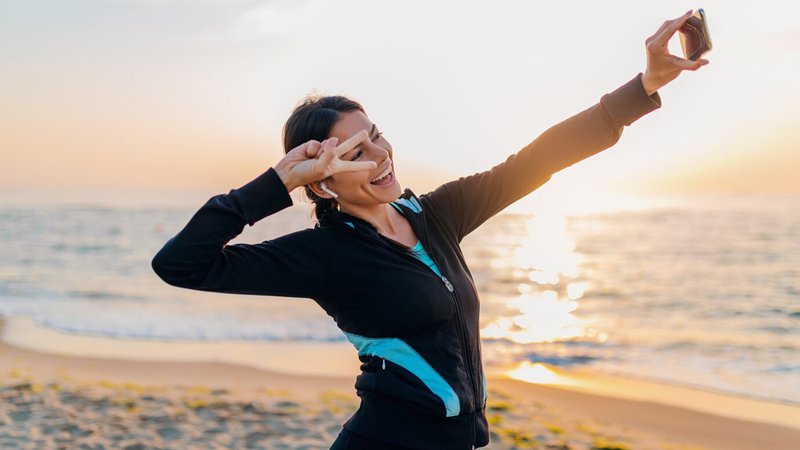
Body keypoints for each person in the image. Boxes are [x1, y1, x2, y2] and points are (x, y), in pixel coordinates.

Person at [151, 10, 708, 450]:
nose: (381, 156)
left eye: (378, 136)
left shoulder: (435, 215)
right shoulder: (325, 255)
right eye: (356, 153)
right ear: (322, 180)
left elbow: (534, 162)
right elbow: (182, 264)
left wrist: (643, 87)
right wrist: (278, 182)